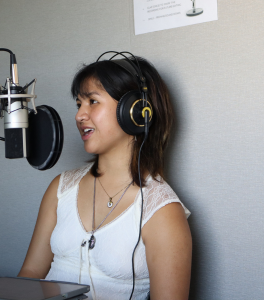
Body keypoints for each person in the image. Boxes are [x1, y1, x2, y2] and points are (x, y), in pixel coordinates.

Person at [18, 54, 192, 300]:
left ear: (134, 112)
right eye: (79, 104)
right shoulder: (61, 188)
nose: (80, 115)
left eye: (92, 101)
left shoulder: (162, 210)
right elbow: (31, 272)